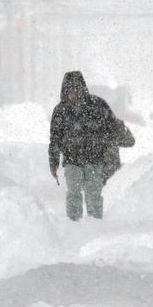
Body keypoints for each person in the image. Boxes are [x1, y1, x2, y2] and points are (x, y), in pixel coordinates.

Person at [48, 71, 132, 220]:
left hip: (95, 160)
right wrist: (53, 162)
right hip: (71, 161)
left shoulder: (97, 105)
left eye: (76, 90)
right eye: (70, 90)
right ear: (64, 91)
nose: (73, 94)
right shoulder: (60, 111)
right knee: (74, 193)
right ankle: (74, 224)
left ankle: (95, 223)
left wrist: (124, 136)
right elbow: (55, 139)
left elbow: (112, 124)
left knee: (94, 194)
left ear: (82, 89)